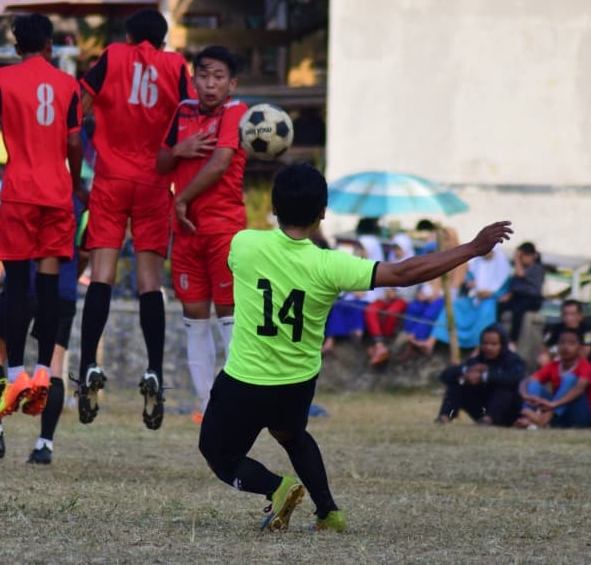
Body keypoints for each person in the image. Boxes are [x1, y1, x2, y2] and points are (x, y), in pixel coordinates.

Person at [198, 163, 513, 533]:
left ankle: (277, 488)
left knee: (219, 454)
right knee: (291, 435)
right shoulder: (332, 265)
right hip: (297, 382)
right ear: (322, 213)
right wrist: (474, 248)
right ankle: (329, 513)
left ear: (274, 206)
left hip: (247, 380)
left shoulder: (245, 245)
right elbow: (405, 272)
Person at [0, 14, 84, 422]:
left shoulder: (1, 79)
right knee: (47, 287)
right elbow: (75, 141)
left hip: (19, 196)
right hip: (56, 196)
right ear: (49, 46)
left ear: (15, 47)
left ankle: (15, 374)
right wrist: (74, 183)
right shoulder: (69, 85)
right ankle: (44, 371)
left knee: (17, 287)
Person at [75, 8, 194, 429]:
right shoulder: (177, 66)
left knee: (101, 273)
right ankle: (154, 370)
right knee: (149, 282)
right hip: (154, 182)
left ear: (128, 36)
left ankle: (89, 362)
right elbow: (190, 116)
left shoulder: (112, 56)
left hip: (110, 178)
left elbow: (79, 109)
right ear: (162, 41)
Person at [155, 45, 248, 423]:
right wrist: (180, 149)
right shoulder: (182, 111)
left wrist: (182, 201)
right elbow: (161, 162)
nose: (211, 84)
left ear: (232, 83)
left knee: (229, 316)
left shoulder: (237, 112)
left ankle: (239, 405)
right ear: (194, 80)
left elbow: (221, 162)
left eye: (219, 77)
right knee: (193, 317)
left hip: (223, 229)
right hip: (187, 235)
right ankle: (209, 410)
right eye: (204, 76)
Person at [0, 200, 87, 464]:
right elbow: (86, 251)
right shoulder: (79, 201)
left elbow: (2, 247)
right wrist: (67, 280)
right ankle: (45, 445)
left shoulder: (18, 192)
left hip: (21, 287)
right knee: (53, 366)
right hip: (60, 291)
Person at [418, 246, 511, 353]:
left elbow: (505, 290)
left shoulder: (503, 266)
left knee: (486, 311)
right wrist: (471, 283)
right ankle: (431, 341)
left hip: (491, 300)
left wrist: (491, 294)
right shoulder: (477, 262)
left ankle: (478, 348)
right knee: (454, 305)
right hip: (474, 298)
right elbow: (469, 278)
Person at [435, 324, 525, 426]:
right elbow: (445, 375)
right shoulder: (477, 361)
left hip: (507, 411)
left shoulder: (512, 360)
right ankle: (445, 417)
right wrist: (466, 372)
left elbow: (517, 378)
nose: (488, 347)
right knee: (459, 382)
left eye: (494, 344)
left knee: (505, 387)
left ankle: (489, 420)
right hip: (482, 408)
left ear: (502, 345)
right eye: (485, 343)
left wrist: (484, 377)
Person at [516, 328, 591, 429]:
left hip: (579, 414)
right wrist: (525, 394)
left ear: (580, 348)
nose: (565, 347)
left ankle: (545, 418)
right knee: (533, 385)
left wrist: (554, 404)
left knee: (570, 379)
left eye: (571, 343)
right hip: (558, 413)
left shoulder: (585, 365)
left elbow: (579, 389)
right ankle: (528, 417)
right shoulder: (554, 365)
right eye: (562, 343)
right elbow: (527, 381)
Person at [364, 233, 414, 366]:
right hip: (387, 296)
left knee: (391, 312)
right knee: (371, 310)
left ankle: (384, 342)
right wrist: (388, 290)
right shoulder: (390, 261)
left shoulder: (412, 263)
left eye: (399, 248)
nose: (396, 252)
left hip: (403, 298)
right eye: (395, 248)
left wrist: (395, 292)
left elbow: (411, 287)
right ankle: (379, 344)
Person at [496, 241, 544, 345]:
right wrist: (508, 295)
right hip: (518, 297)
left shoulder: (536, 268)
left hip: (532, 298)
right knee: (501, 306)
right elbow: (515, 286)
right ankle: (497, 333)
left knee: (518, 311)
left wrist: (517, 259)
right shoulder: (521, 268)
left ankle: (513, 340)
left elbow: (521, 274)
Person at [538, 299, 591, 366]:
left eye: (572, 314)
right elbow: (545, 347)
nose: (568, 318)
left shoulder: (586, 330)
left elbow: (585, 352)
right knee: (543, 358)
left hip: (579, 365)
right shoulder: (556, 328)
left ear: (580, 316)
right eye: (565, 314)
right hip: (559, 360)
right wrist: (549, 354)